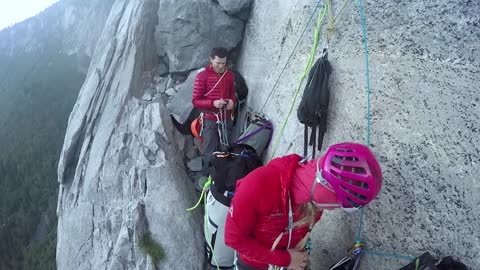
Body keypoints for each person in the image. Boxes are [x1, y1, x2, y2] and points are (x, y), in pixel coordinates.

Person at [224, 142, 383, 270]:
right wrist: (285, 260)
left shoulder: (313, 202)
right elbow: (233, 239)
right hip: (255, 265)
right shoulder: (257, 185)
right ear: (326, 190)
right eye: (339, 204)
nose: (335, 209)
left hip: (290, 258)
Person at [192, 47, 236, 179]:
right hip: (210, 119)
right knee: (209, 151)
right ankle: (206, 180)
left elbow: (232, 95)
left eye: (224, 63)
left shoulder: (229, 75)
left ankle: (222, 179)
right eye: (218, 63)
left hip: (226, 119)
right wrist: (213, 103)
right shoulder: (202, 76)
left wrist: (231, 103)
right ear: (211, 60)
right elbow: (195, 101)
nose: (221, 66)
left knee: (225, 149)